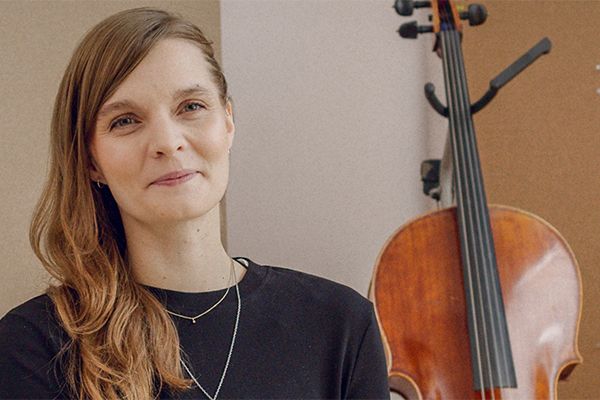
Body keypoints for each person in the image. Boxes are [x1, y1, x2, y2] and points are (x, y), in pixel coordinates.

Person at [0, 7, 390, 400]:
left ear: (228, 122)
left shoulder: (341, 325)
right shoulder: (34, 346)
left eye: (191, 107)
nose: (168, 142)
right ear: (91, 161)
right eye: (126, 120)